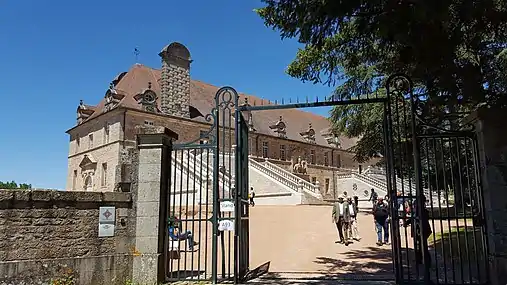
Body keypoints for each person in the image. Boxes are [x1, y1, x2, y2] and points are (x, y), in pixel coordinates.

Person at [414, 196, 432, 267]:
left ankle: (426, 260)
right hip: (420, 229)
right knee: (420, 245)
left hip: (423, 229)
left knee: (422, 245)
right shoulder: (419, 210)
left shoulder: (422, 210)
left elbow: (421, 219)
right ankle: (420, 259)